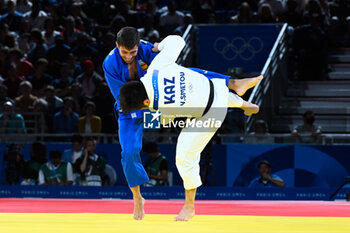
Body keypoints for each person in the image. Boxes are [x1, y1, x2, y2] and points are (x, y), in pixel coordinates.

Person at [103, 27, 262, 221]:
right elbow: (123, 99)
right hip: (130, 106)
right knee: (128, 153)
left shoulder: (146, 50)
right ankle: (137, 197)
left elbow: (172, 107)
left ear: (138, 46)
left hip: (161, 103)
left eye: (133, 52)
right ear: (117, 46)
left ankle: (236, 90)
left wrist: (158, 46)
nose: (128, 56)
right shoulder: (110, 64)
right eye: (124, 52)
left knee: (185, 81)